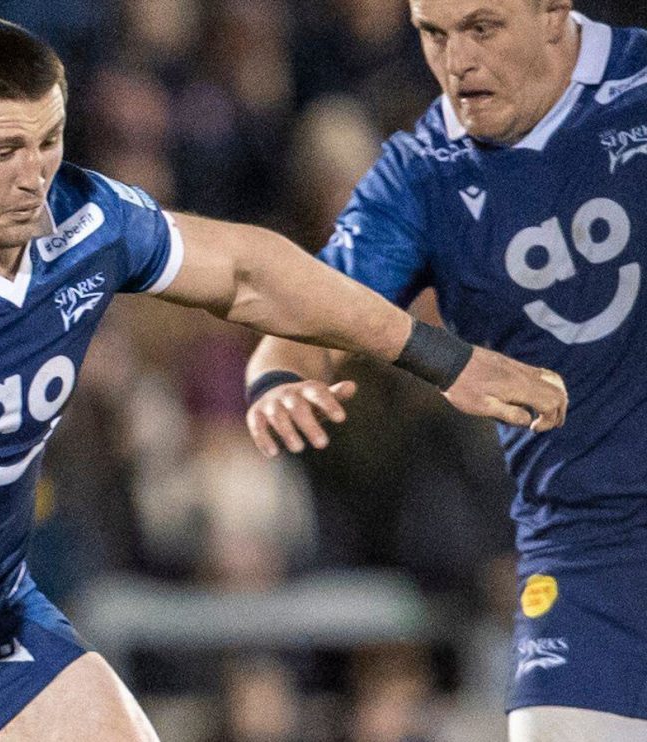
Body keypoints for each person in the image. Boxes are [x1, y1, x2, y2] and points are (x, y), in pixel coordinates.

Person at [0, 14, 568, 741]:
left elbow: (250, 271)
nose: (36, 176)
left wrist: (439, 357)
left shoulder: (85, 220)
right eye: (2, 152)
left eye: (49, 140)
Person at [244, 1, 647, 739]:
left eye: (481, 28)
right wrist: (280, 381)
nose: (455, 61)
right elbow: (301, 323)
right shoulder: (421, 176)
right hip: (584, 552)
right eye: (434, 33)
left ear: (553, 11)